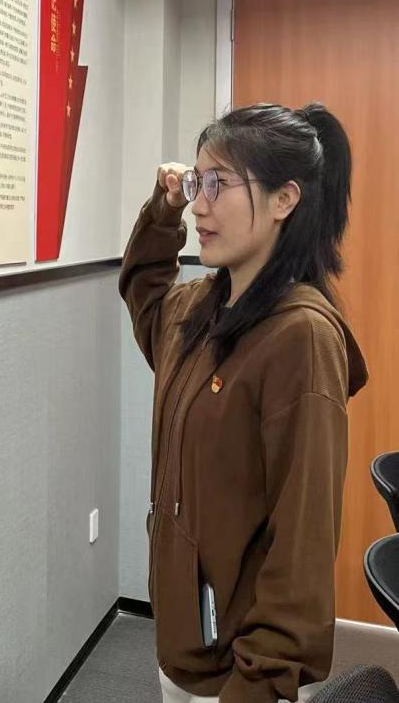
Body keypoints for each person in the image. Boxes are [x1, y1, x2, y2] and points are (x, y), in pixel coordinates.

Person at [119, 103, 368, 703]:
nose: (199, 206)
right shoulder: (199, 309)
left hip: (242, 675)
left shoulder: (301, 339)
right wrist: (162, 210)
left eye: (219, 184)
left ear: (284, 200)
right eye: (196, 183)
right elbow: (143, 292)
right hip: (184, 644)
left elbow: (302, 548)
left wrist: (257, 682)